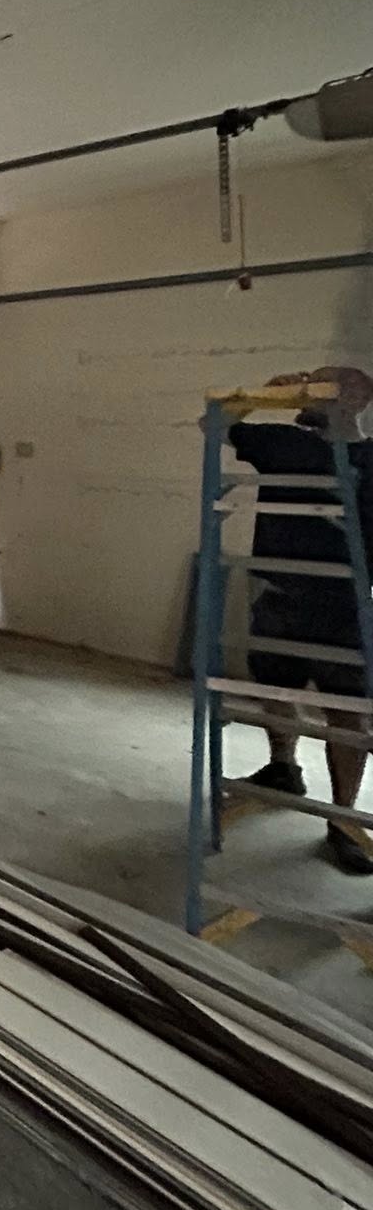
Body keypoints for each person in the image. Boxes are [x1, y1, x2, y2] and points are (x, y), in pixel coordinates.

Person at [228, 366, 373, 872]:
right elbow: (214, 426)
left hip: (343, 604)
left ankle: (343, 820)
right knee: (274, 685)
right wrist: (262, 394)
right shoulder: (282, 443)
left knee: (346, 710)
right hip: (280, 595)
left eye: (319, 384)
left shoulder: (370, 458)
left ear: (355, 398)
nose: (306, 390)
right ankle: (284, 767)